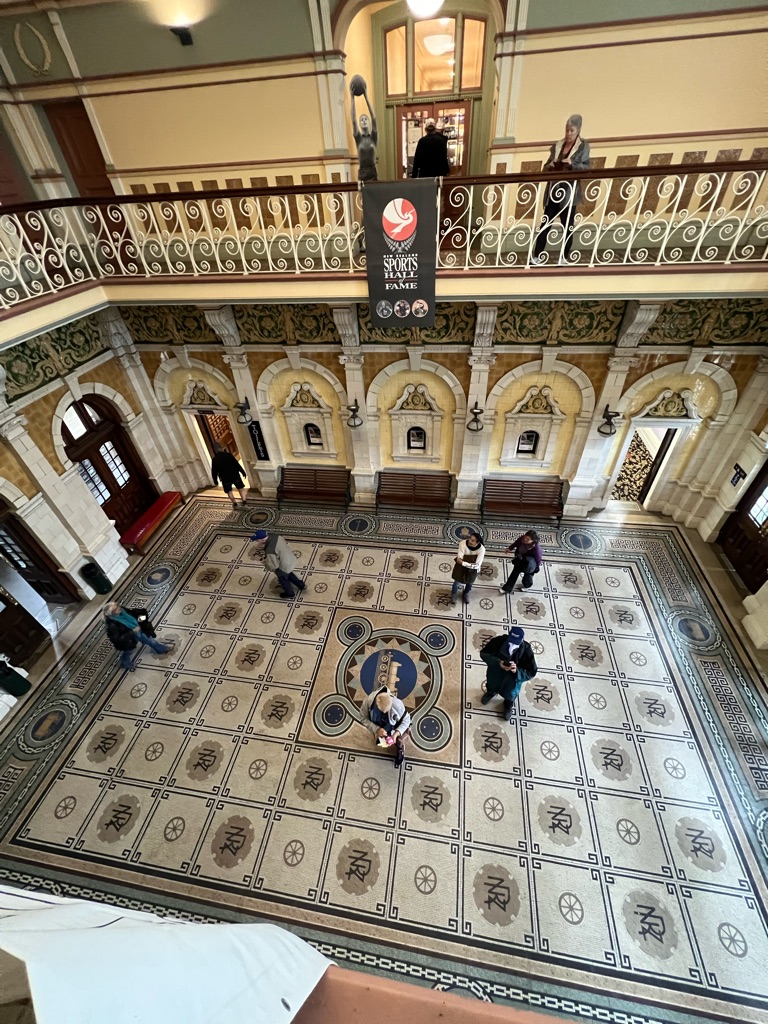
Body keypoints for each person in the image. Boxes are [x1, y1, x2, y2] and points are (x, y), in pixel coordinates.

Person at [531, 114, 591, 266]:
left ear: (578, 130)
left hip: (569, 191)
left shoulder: (583, 147)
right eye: (567, 130)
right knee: (545, 223)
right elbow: (545, 167)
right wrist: (551, 165)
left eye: (572, 131)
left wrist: (571, 164)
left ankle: (563, 257)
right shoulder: (557, 146)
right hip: (553, 189)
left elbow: (586, 168)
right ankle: (536, 256)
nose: (568, 134)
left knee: (568, 226)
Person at [480, 625, 538, 722]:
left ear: (522, 639)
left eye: (516, 642)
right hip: (495, 673)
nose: (513, 643)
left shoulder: (526, 650)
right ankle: (490, 693)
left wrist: (516, 671)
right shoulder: (499, 641)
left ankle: (508, 705)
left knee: (510, 693)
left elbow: (531, 672)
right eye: (511, 640)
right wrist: (498, 663)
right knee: (492, 684)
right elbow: (484, 654)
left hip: (512, 679)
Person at [105, 602, 172, 672]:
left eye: (117, 606)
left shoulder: (123, 610)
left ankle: (161, 649)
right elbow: (117, 639)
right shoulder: (112, 625)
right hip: (128, 640)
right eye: (115, 609)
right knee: (127, 651)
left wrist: (141, 617)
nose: (119, 608)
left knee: (150, 640)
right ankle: (125, 663)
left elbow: (132, 614)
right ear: (111, 613)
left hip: (138, 631)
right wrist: (132, 631)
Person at [359, 685, 411, 768]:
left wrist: (396, 734)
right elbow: (363, 717)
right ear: (376, 705)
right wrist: (376, 729)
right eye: (382, 712)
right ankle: (382, 738)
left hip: (394, 727)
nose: (385, 714)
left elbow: (407, 720)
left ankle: (400, 749)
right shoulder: (368, 702)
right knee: (382, 737)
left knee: (398, 741)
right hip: (379, 725)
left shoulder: (397, 704)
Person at [250, 528, 306, 599]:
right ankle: (301, 585)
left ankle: (290, 593)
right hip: (290, 558)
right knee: (289, 573)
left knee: (283, 579)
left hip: (284, 565)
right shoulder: (276, 536)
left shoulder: (270, 550)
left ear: (262, 540)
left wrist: (266, 564)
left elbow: (274, 566)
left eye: (257, 540)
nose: (257, 542)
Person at [351, 80, 378, 182]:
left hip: (373, 172)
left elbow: (374, 117)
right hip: (362, 173)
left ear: (369, 122)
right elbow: (354, 120)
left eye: (365, 119)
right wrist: (352, 98)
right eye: (361, 120)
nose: (363, 120)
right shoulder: (359, 139)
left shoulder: (373, 137)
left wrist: (366, 96)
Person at [451, 531, 485, 606]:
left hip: (472, 570)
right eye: (470, 539)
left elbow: (477, 565)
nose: (469, 541)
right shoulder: (462, 543)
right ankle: (453, 593)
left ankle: (466, 594)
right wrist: (469, 564)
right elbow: (459, 558)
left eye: (472, 540)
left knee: (470, 583)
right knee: (457, 582)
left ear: (477, 542)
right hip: (461, 568)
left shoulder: (481, 549)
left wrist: (464, 563)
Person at [211, 442, 248, 507]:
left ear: (215, 450)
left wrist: (215, 481)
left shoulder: (214, 460)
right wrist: (243, 472)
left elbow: (214, 472)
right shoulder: (229, 455)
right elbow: (236, 464)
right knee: (240, 488)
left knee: (229, 491)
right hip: (235, 475)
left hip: (225, 478)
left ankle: (234, 503)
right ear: (221, 448)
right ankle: (244, 501)